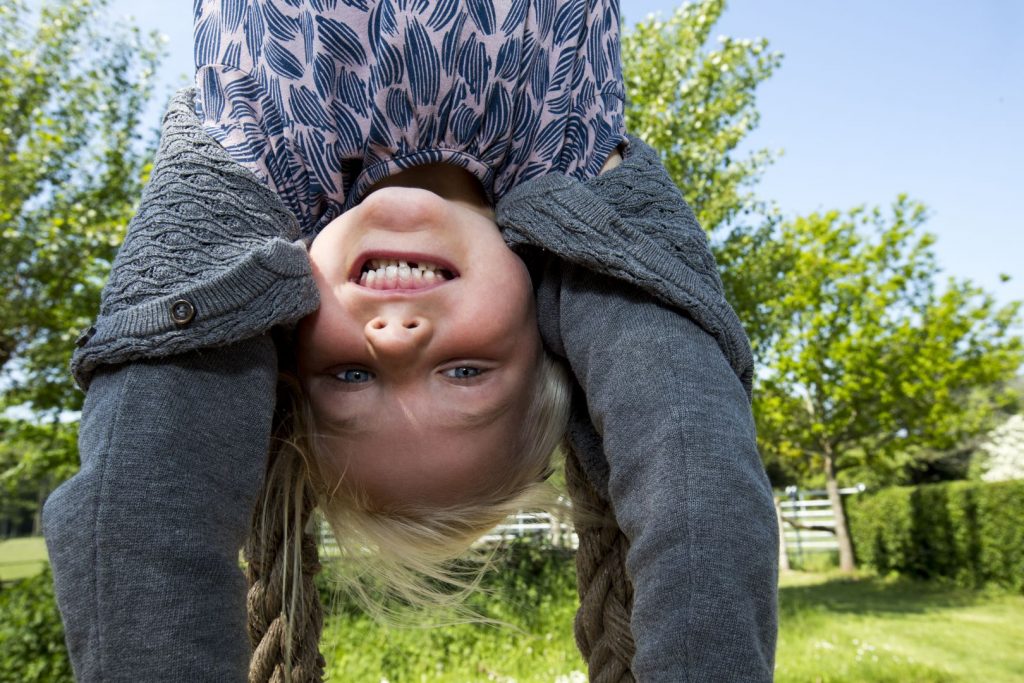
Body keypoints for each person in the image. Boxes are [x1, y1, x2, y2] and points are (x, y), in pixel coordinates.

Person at [44, 2, 778, 681]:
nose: (396, 338)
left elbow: (140, 520)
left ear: (284, 341)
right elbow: (697, 475)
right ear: (556, 330)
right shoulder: (570, 150)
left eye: (350, 377)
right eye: (464, 371)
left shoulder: (254, 153)